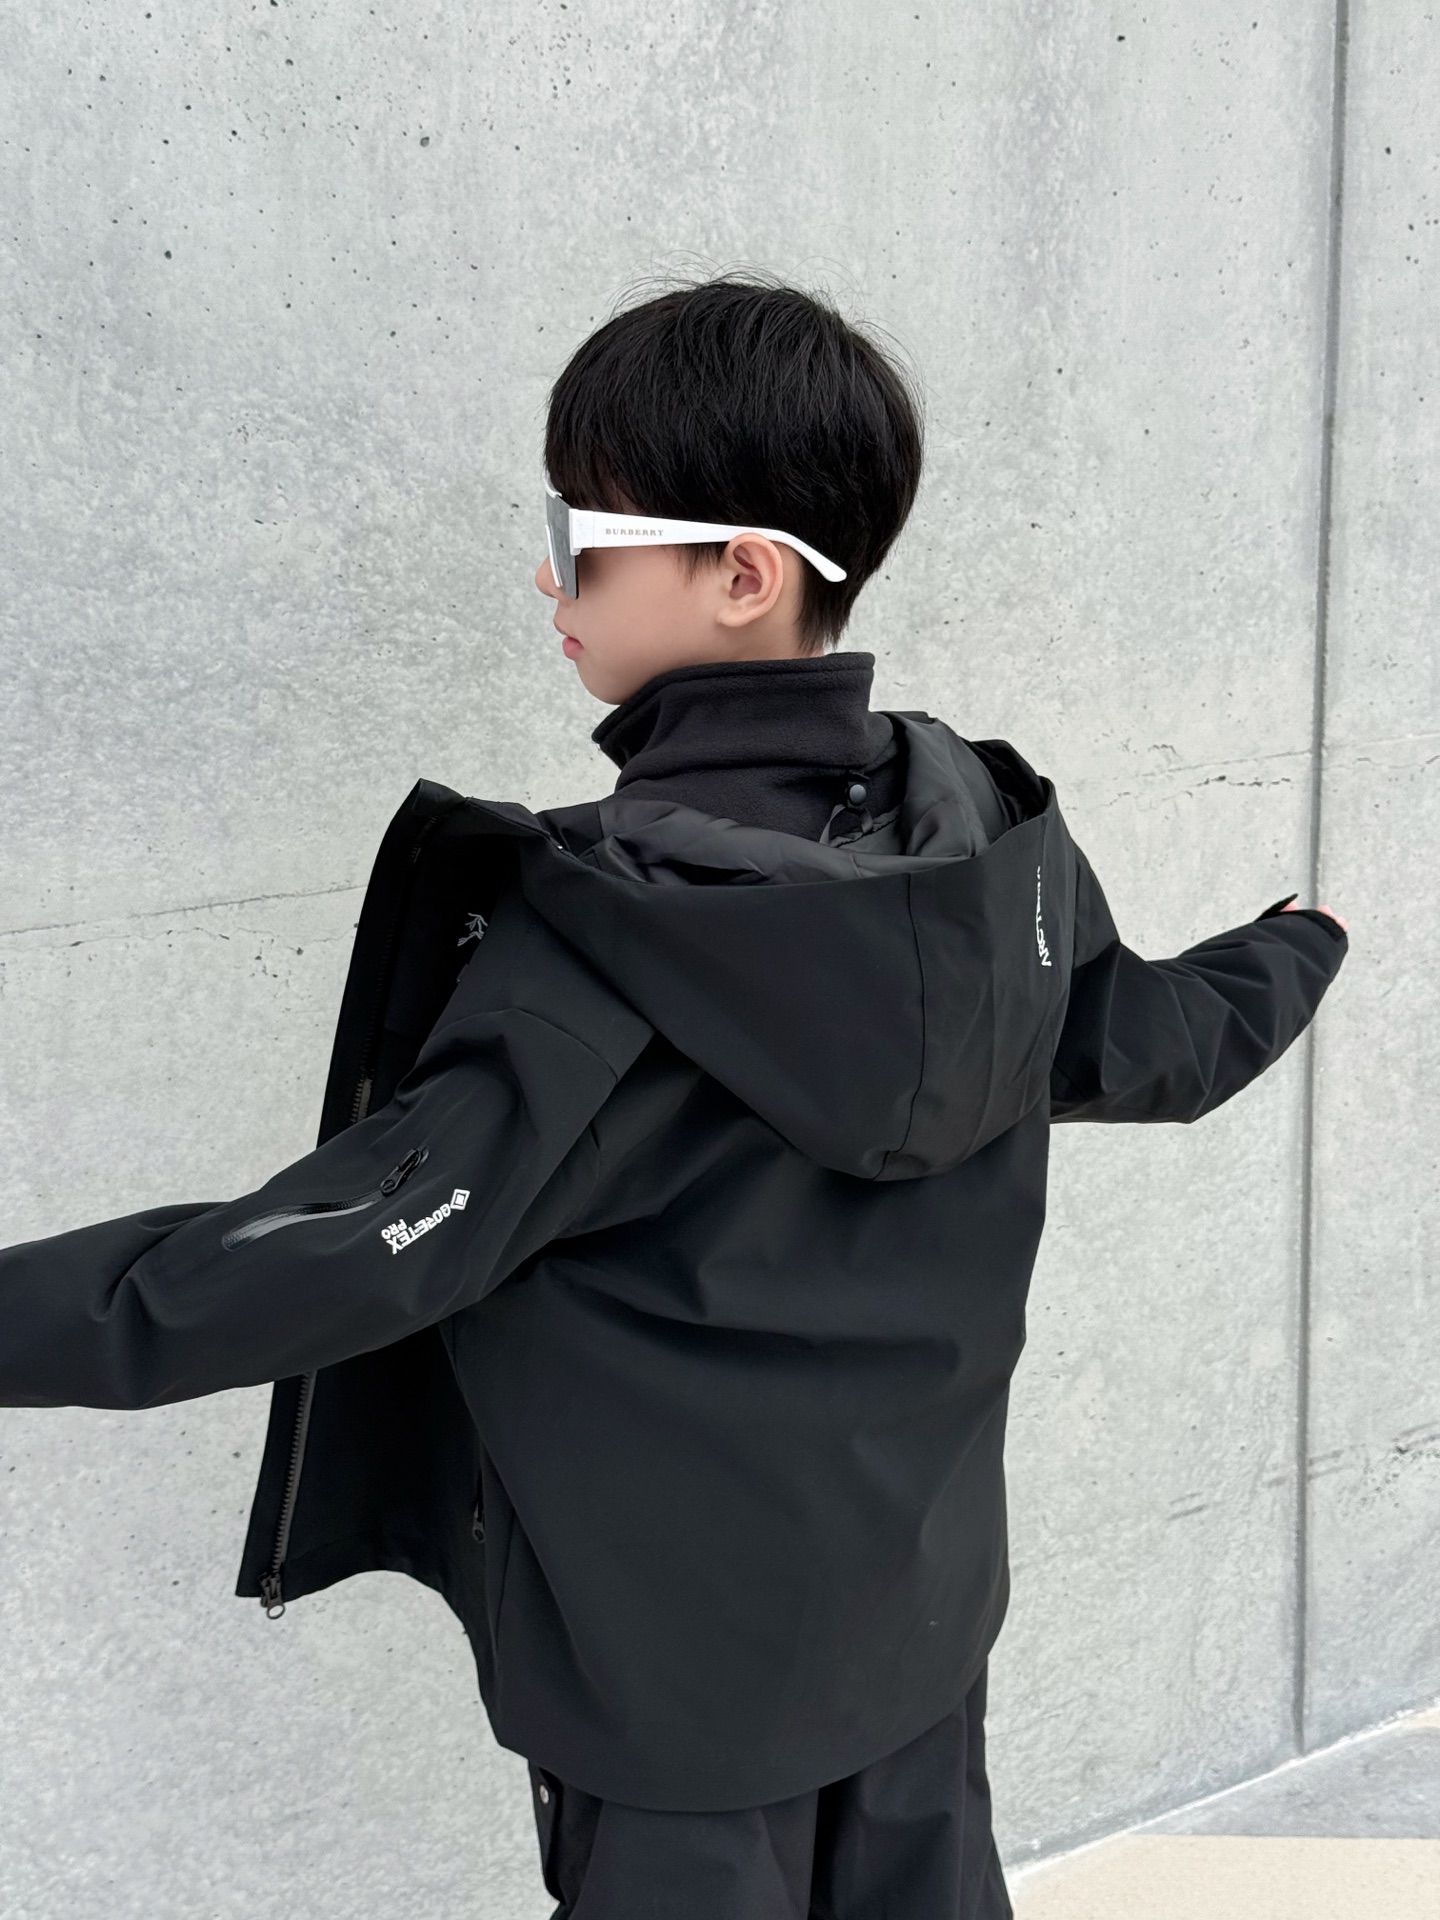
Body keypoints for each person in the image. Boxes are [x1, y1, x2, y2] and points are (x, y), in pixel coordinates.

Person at [0, 278, 1348, 1920]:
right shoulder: (985, 851)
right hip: (919, 1631)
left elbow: (342, 1248)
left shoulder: (606, 940)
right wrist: (1295, 946)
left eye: (579, 536)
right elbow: (1149, 1043)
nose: (548, 576)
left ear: (743, 574)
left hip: (679, 1712)